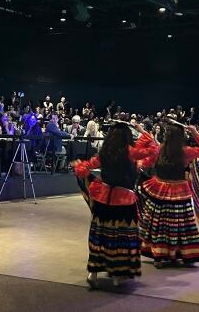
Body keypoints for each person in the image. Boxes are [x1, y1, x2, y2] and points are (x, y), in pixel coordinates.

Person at [130, 123, 199, 267]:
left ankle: (159, 255)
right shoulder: (185, 151)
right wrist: (195, 133)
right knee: (179, 223)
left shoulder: (159, 149)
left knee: (158, 223)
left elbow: (147, 147)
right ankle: (177, 253)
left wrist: (141, 130)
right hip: (179, 191)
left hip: (159, 189)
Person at [72, 123, 141, 288]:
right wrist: (141, 130)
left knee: (100, 236)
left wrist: (80, 166)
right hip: (124, 202)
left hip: (104, 201)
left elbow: (84, 168)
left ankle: (93, 272)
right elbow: (153, 148)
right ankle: (118, 275)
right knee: (121, 238)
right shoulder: (131, 153)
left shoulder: (103, 154)